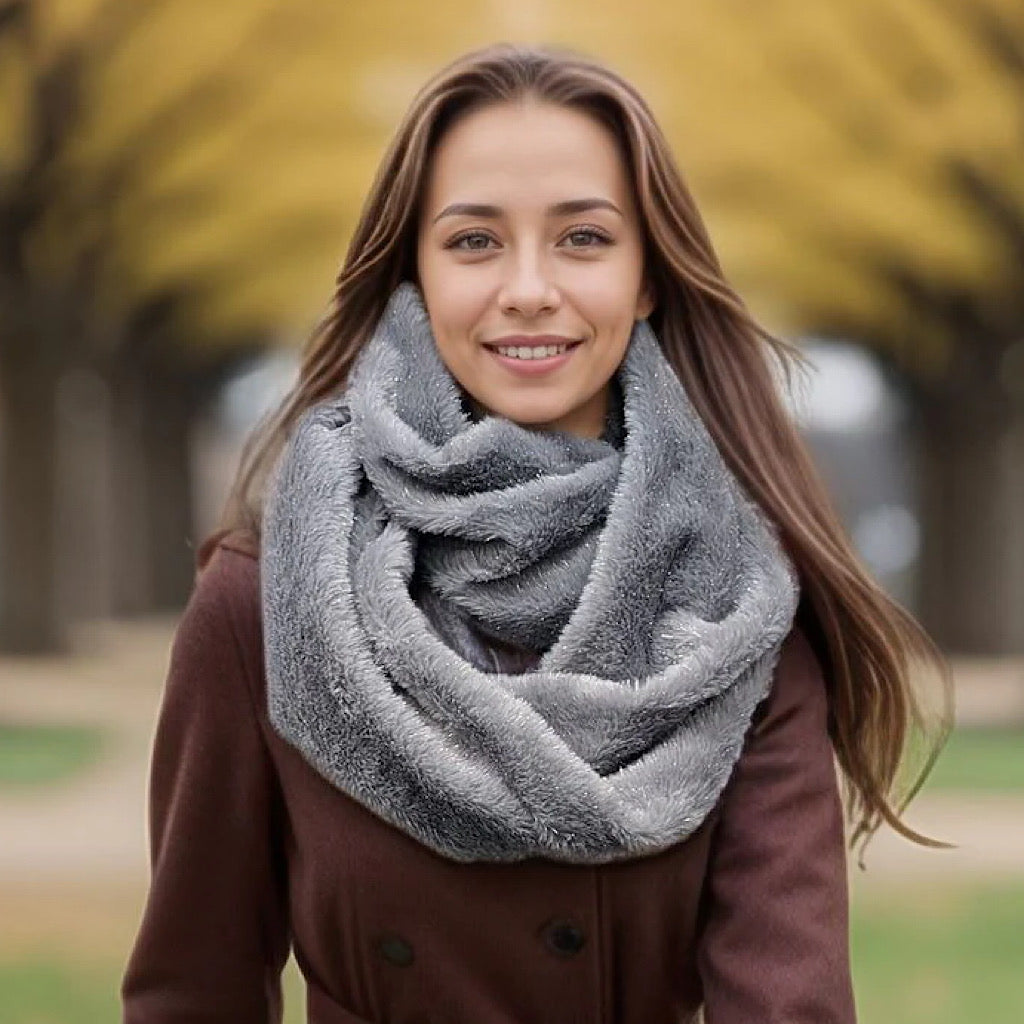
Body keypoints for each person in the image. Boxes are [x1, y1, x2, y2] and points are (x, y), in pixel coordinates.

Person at [121, 42, 953, 1024]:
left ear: (647, 276)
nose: (527, 287)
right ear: (413, 275)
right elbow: (193, 993)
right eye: (473, 241)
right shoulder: (265, 604)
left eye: (583, 239)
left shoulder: (736, 610)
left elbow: (787, 1005)